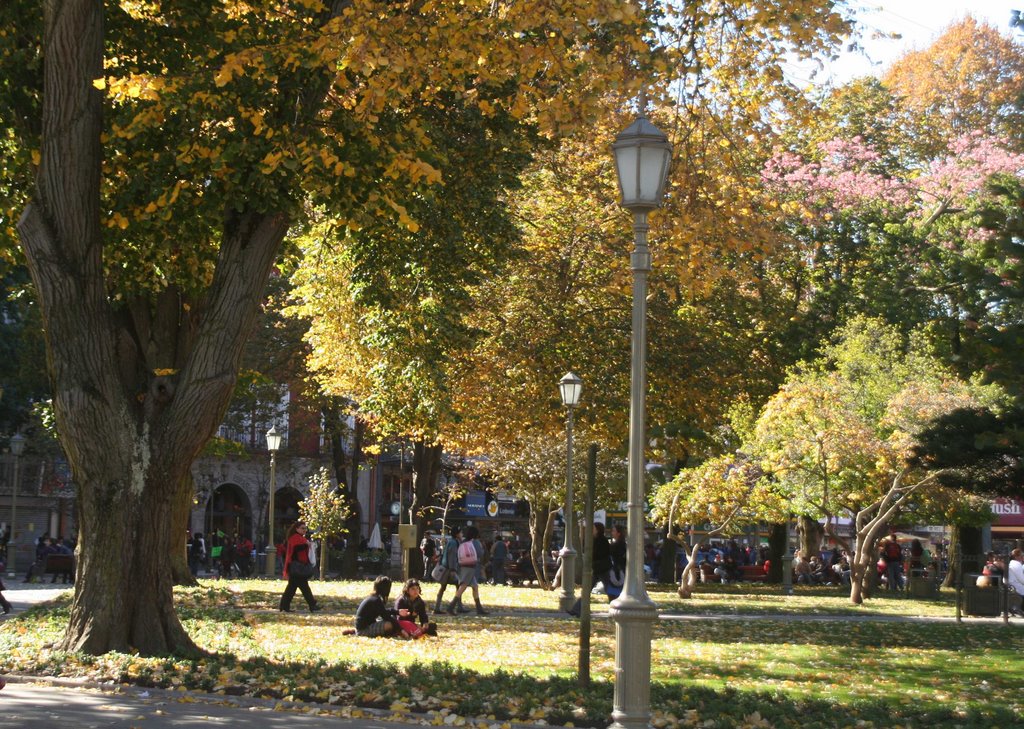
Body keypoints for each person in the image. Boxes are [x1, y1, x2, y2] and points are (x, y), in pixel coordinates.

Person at [278, 521, 320, 613]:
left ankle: (284, 606)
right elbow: (296, 550)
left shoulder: (298, 538)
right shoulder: (295, 538)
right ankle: (312, 604)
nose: (304, 530)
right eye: (302, 528)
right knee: (302, 587)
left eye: (305, 528)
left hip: (296, 567)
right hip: (297, 566)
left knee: (293, 588)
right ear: (297, 529)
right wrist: (306, 545)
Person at [447, 525, 488, 615]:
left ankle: (479, 608)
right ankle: (451, 606)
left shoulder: (463, 542)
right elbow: (479, 553)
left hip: (464, 566)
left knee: (475, 587)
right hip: (469, 567)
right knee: (463, 587)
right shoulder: (473, 542)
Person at [433, 526, 461, 613]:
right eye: (460, 532)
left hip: (445, 568)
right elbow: (452, 556)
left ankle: (437, 607)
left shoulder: (451, 542)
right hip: (449, 570)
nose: (462, 534)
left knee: (443, 587)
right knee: (459, 586)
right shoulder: (454, 543)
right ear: (457, 534)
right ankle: (457, 606)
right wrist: (453, 569)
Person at [1007, 548, 1024, 617]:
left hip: (1014, 585)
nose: (1023, 557)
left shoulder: (1014, 564)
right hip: (1015, 586)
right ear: (1016, 557)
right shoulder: (1016, 565)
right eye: (1022, 555)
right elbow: (1022, 579)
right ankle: (1017, 608)